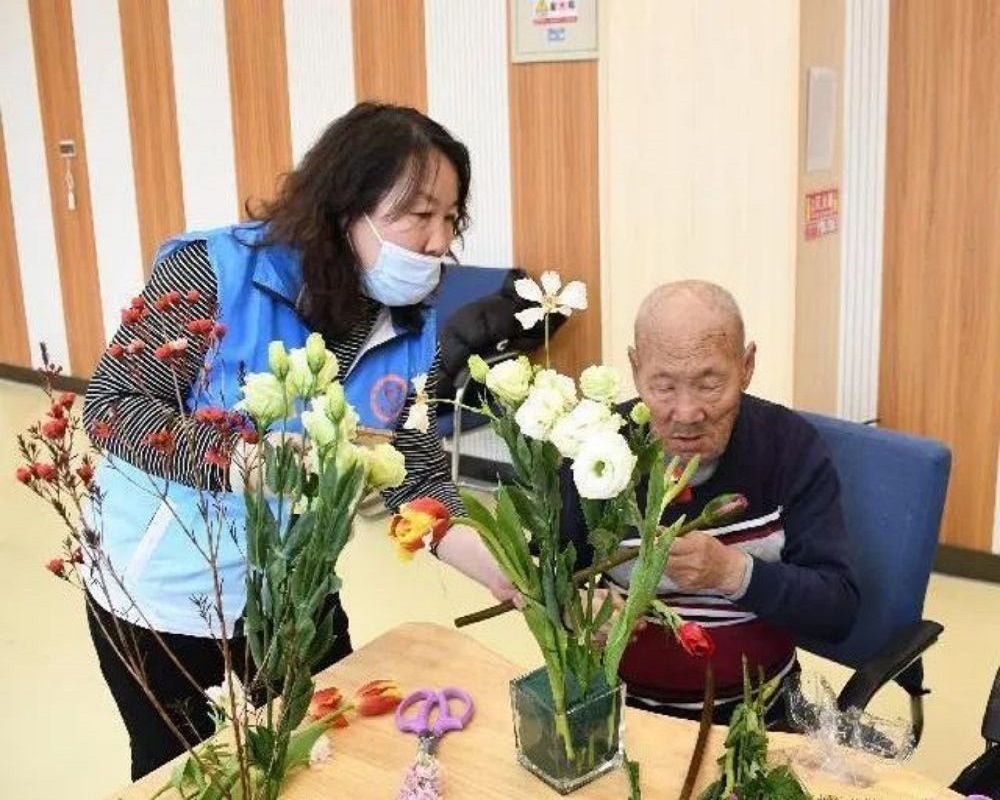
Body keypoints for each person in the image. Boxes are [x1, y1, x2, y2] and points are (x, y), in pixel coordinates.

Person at [82, 102, 516, 778]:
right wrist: (241, 460)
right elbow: (113, 406)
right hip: (162, 598)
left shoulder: (413, 319)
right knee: (192, 776)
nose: (438, 242)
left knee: (323, 761)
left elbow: (411, 468)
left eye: (450, 218)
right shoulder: (213, 271)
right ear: (345, 209)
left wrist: (498, 566)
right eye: (418, 215)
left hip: (297, 594)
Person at [560, 280, 860, 724]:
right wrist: (576, 610)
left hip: (759, 713)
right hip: (620, 711)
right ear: (636, 369)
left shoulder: (790, 447)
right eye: (663, 386)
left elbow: (838, 610)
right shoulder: (597, 450)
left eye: (709, 384)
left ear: (746, 366)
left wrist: (731, 572)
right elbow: (548, 579)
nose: (686, 413)